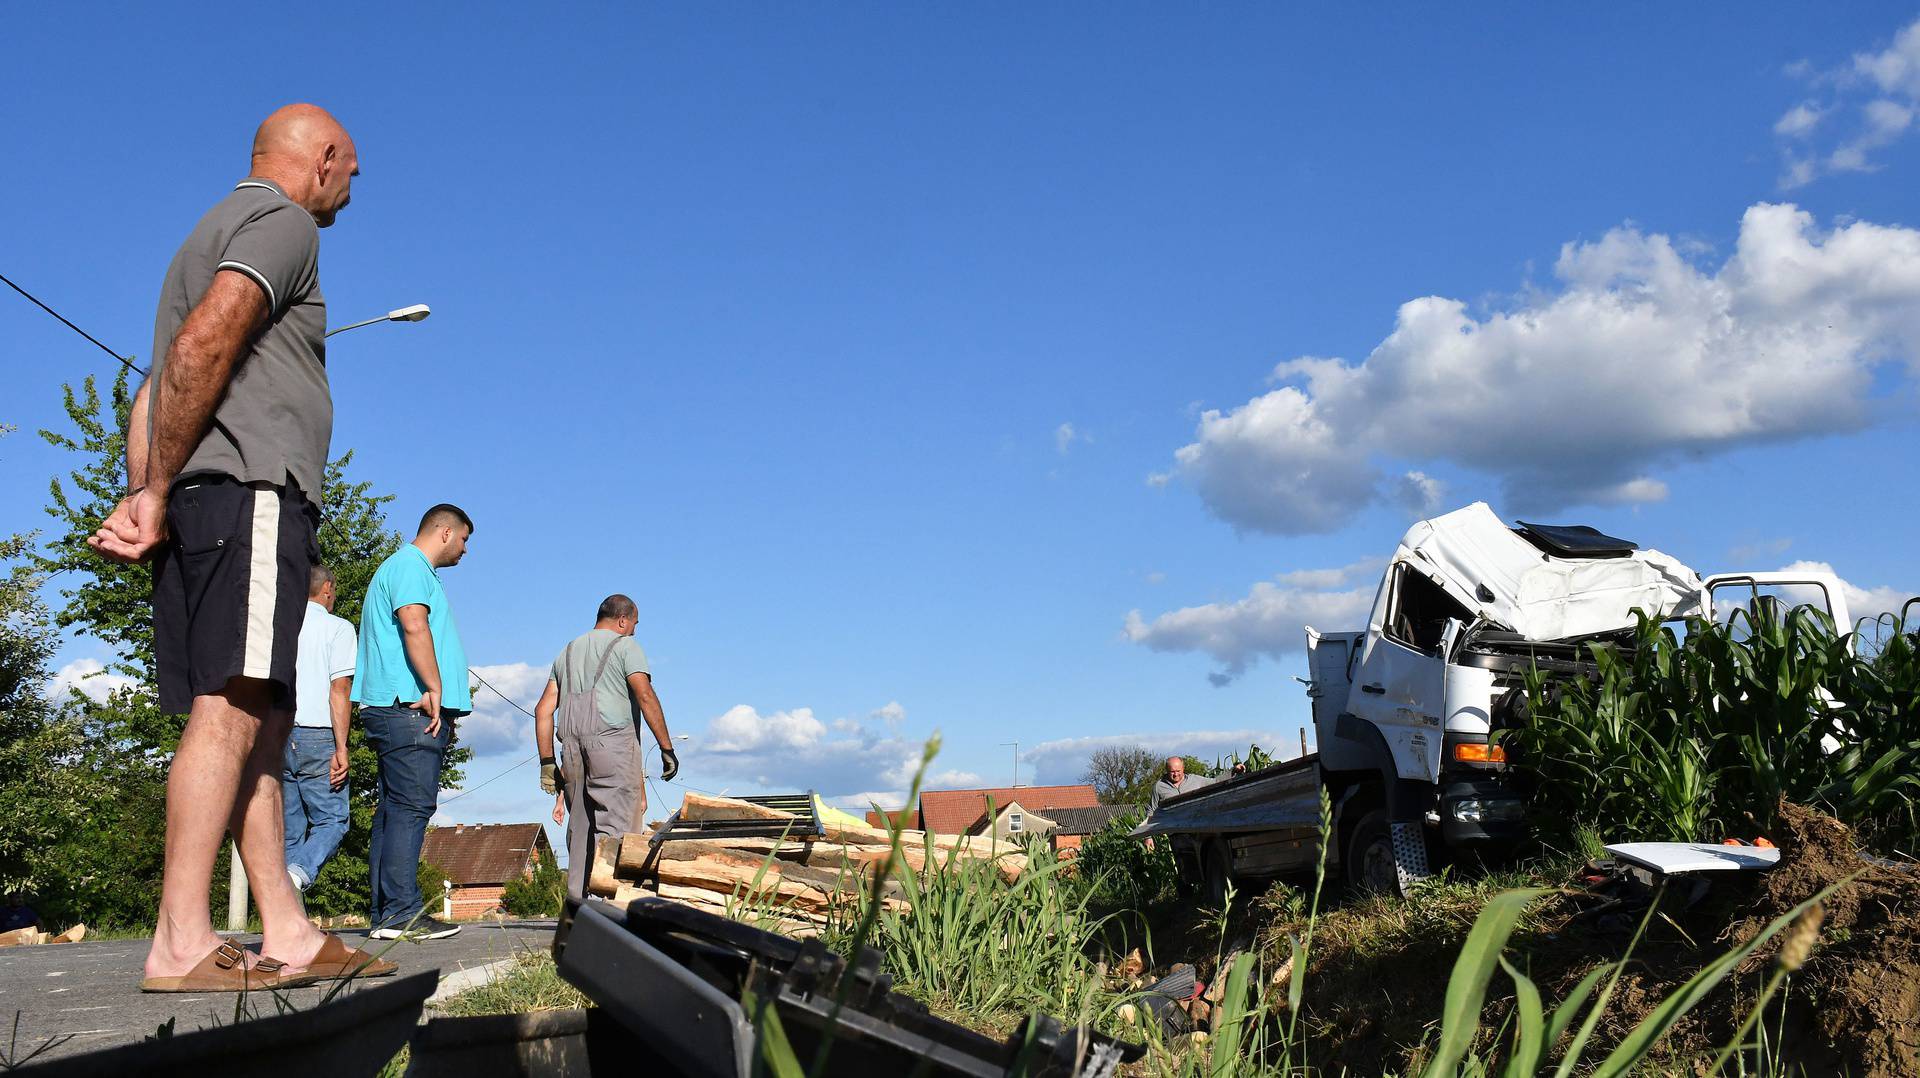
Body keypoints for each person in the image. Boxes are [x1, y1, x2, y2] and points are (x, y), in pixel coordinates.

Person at [90, 104, 392, 992]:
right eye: (352, 170)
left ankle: (287, 930)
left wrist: (148, 490)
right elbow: (207, 338)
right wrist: (150, 493)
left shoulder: (208, 230)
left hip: (208, 499)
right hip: (255, 492)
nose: (351, 187)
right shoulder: (287, 221)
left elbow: (161, 379)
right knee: (229, 713)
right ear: (325, 158)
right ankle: (180, 939)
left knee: (252, 714)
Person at [353, 504, 474, 940]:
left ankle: (386, 914)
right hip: (410, 709)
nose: (464, 550)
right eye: (463, 539)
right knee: (410, 808)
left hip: (399, 708)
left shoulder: (409, 569)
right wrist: (435, 687)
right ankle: (401, 913)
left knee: (394, 810)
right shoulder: (409, 566)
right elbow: (413, 625)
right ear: (444, 532)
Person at [533, 594, 678, 899]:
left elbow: (543, 709)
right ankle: (613, 916)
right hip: (612, 745)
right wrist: (666, 747)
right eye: (635, 623)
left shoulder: (567, 653)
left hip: (571, 750)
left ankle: (576, 911)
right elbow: (645, 695)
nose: (635, 631)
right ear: (623, 620)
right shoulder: (626, 646)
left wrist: (547, 761)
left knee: (581, 832)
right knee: (618, 832)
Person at [282, 564, 356, 893]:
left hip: (277, 733)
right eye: (334, 591)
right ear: (327, 588)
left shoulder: (280, 626)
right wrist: (342, 748)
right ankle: (298, 872)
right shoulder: (338, 629)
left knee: (289, 829)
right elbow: (339, 690)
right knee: (333, 820)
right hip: (317, 734)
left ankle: (285, 918)